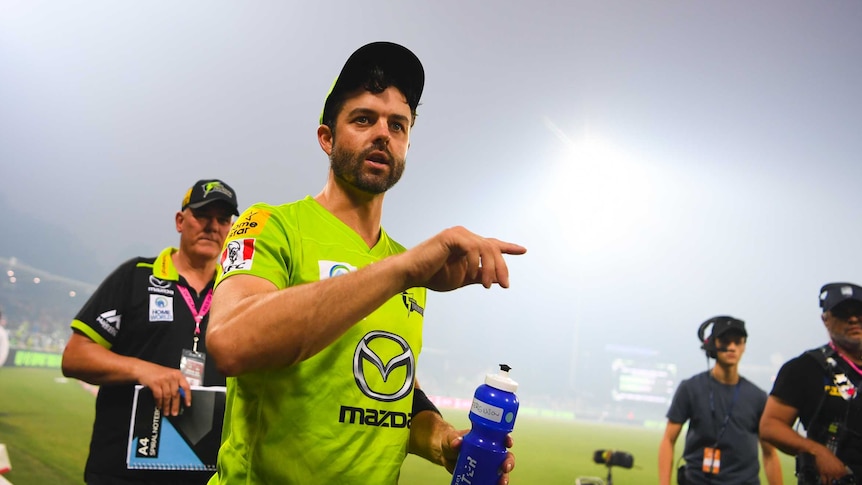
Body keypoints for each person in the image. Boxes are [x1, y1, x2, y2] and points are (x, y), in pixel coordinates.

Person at [205, 41, 526, 485]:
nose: (383, 133)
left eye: (398, 125)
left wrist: (444, 442)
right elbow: (229, 343)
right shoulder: (270, 225)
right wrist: (404, 271)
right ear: (326, 137)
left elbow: (389, 395)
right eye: (363, 119)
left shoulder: (408, 267)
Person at [61, 179, 239, 485]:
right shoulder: (136, 276)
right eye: (202, 215)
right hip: (123, 471)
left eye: (222, 220)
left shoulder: (235, 290)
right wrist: (144, 370)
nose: (212, 226)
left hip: (206, 474)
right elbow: (75, 356)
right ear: (180, 221)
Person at [659, 316, 783, 485]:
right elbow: (668, 440)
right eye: (725, 341)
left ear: (744, 346)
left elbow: (770, 454)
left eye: (738, 341)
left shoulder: (758, 397)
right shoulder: (690, 388)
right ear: (712, 344)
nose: (732, 347)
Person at [760, 282, 862, 485]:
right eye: (842, 313)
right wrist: (816, 450)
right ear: (826, 319)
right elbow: (770, 426)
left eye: (859, 311)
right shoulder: (805, 368)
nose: (853, 319)